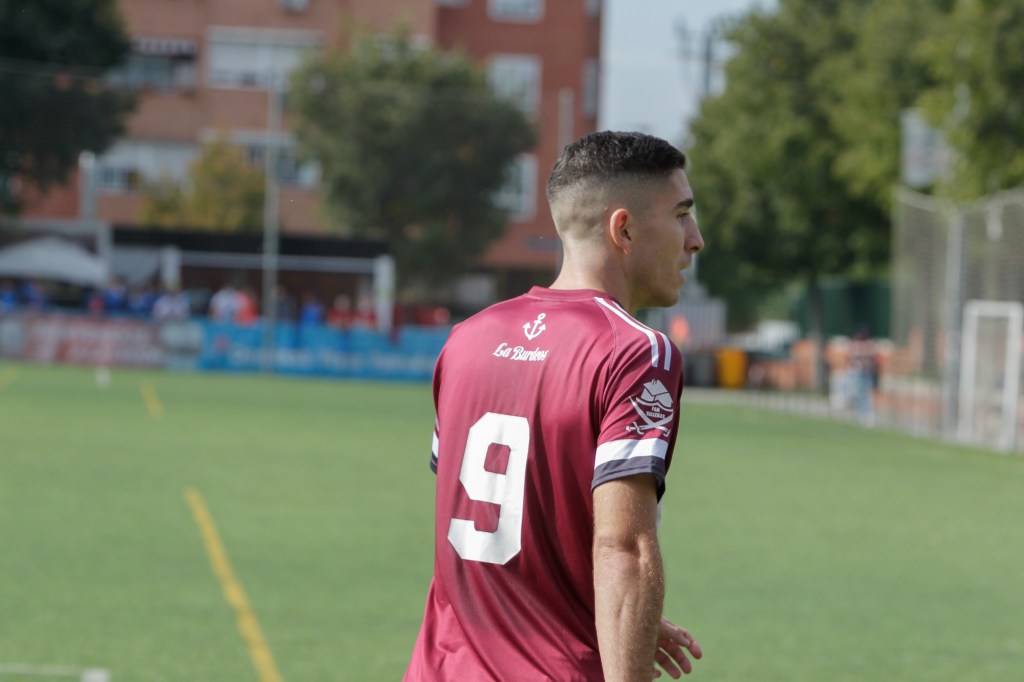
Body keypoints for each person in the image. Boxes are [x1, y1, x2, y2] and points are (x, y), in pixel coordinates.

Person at [404, 131, 705, 681]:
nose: (696, 239)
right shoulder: (635, 351)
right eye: (681, 215)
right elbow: (624, 549)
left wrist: (613, 618)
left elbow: (494, 532)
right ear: (623, 229)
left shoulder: (467, 338)